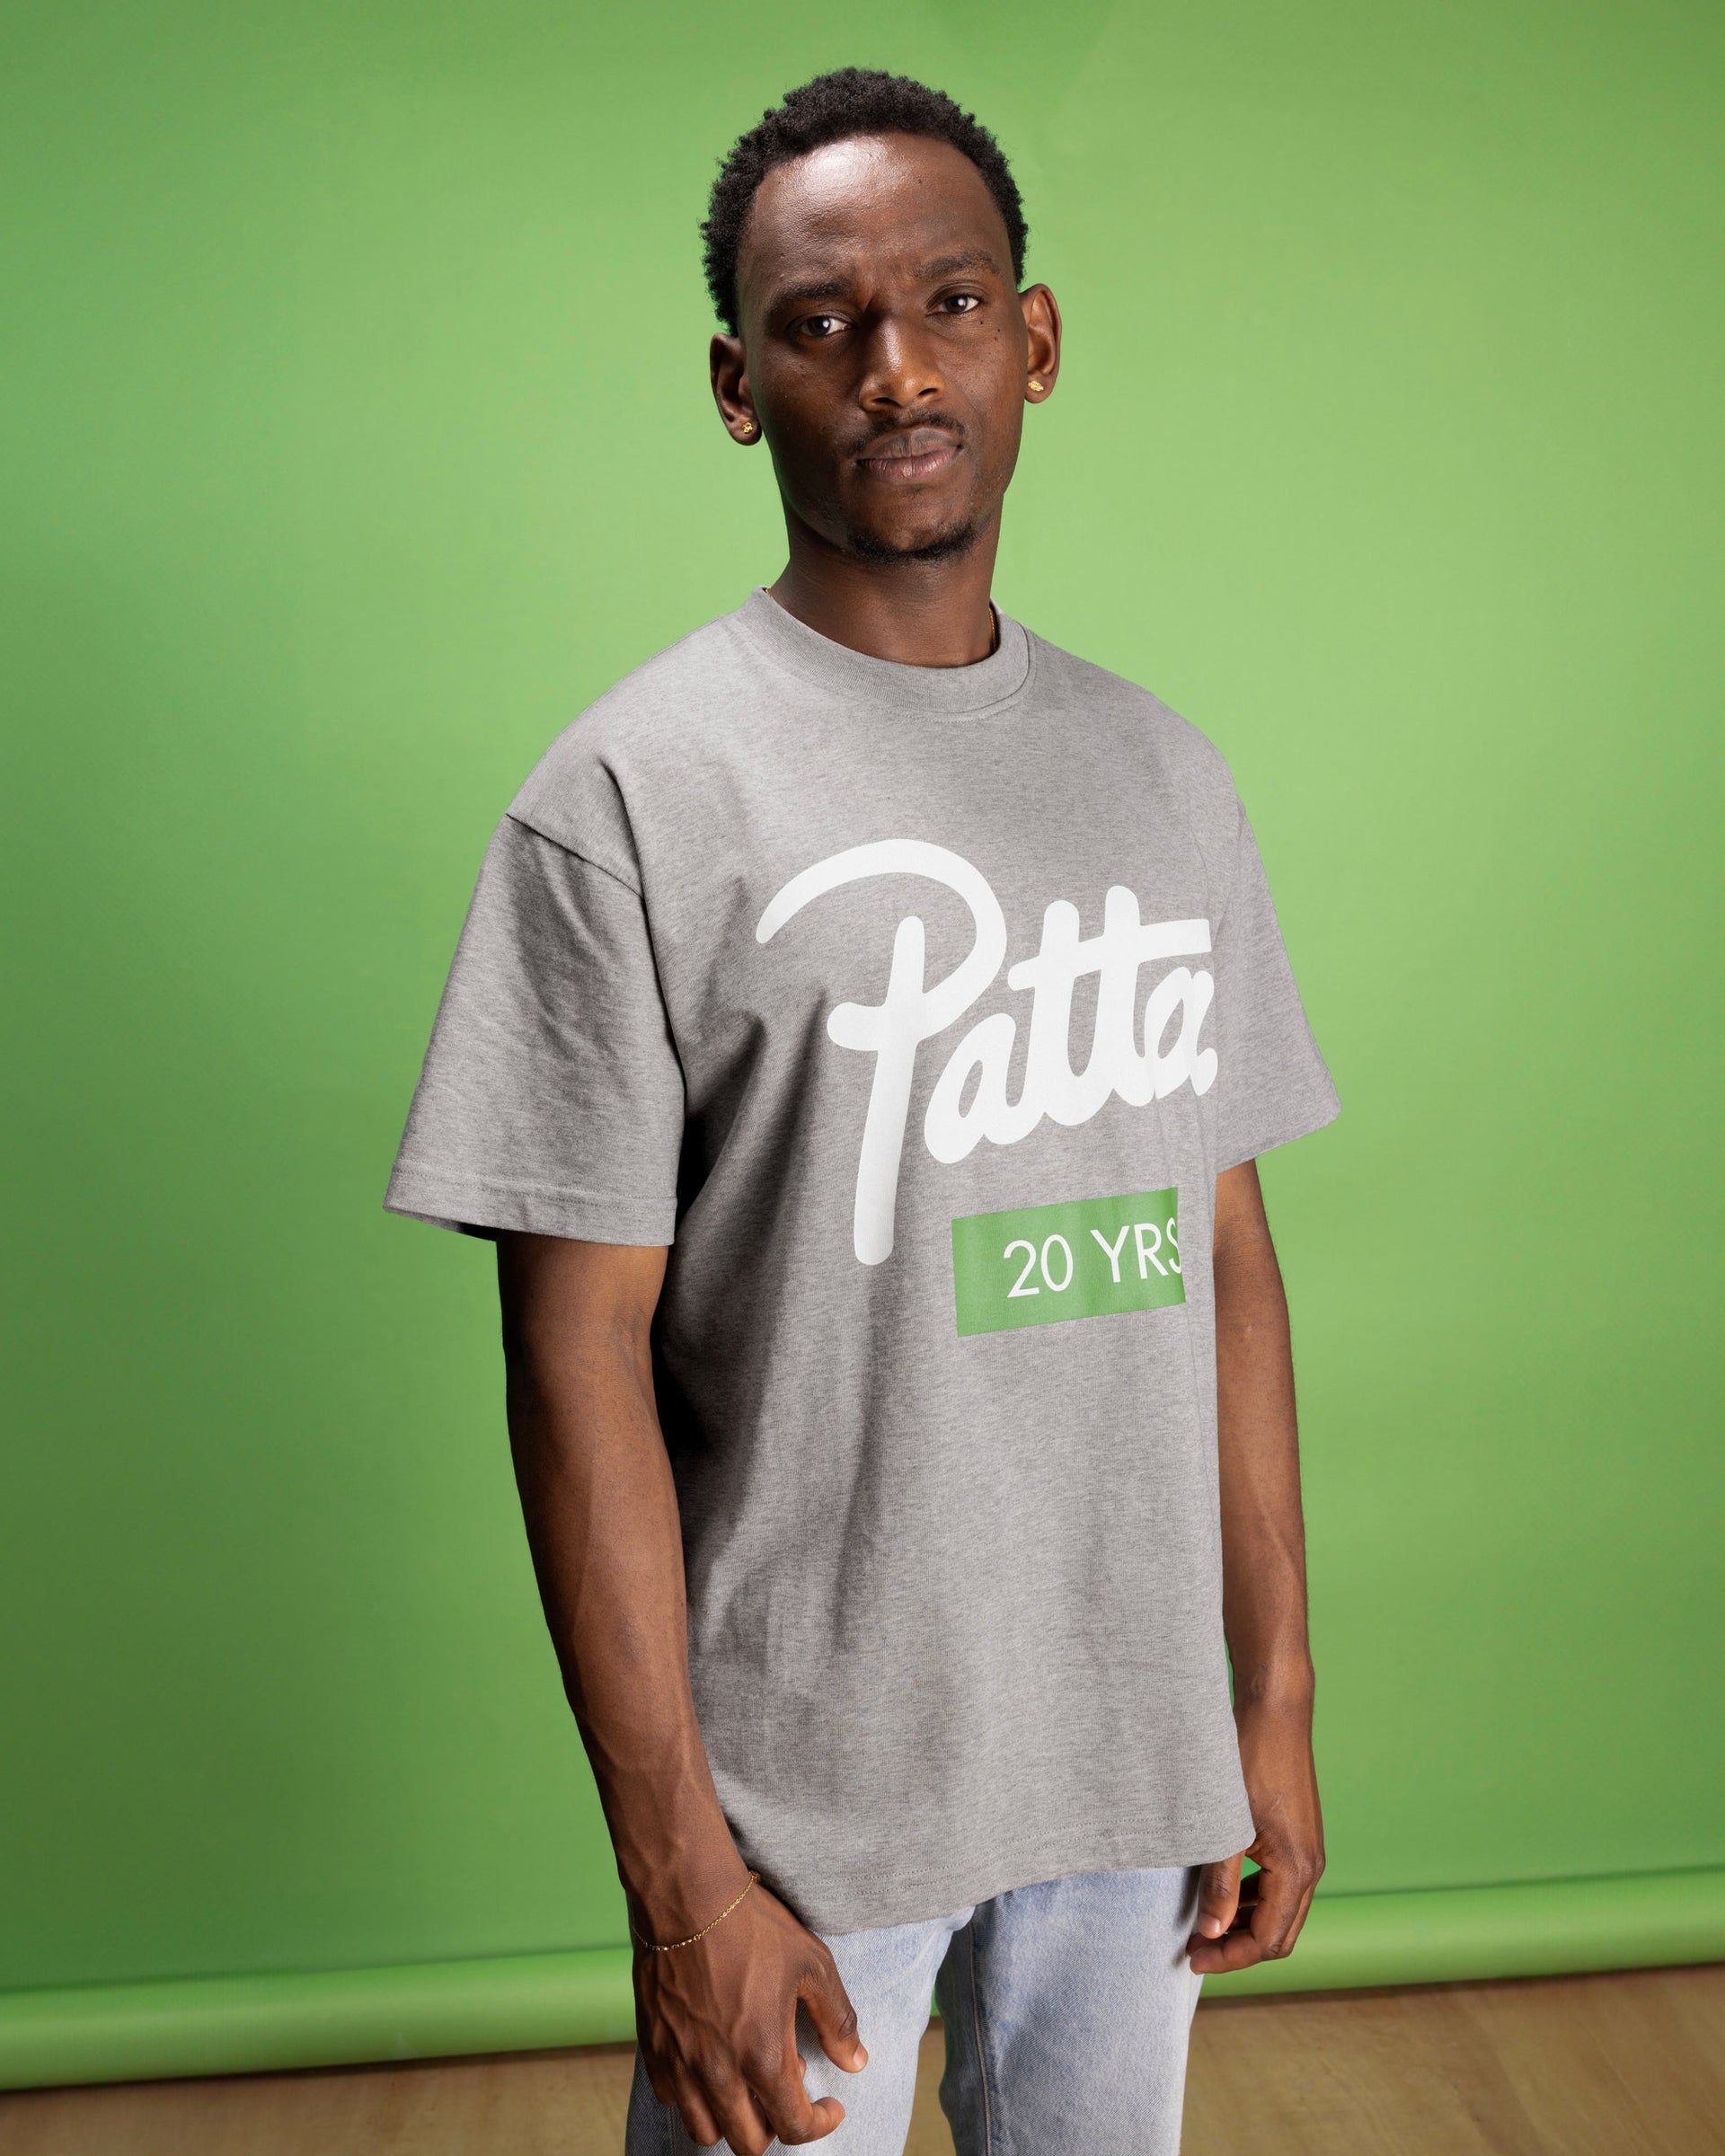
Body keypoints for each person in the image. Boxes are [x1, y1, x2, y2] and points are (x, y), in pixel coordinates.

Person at [387, 66, 1338, 2156]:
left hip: (1135, 1780)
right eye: (822, 324)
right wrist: (681, 1885)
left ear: (1036, 341)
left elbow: (1228, 1258)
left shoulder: (1166, 777)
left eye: (950, 302)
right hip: (804, 1816)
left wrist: (1264, 1702)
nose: (895, 367)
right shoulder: (628, 799)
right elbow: (574, 1359)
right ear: (742, 387)